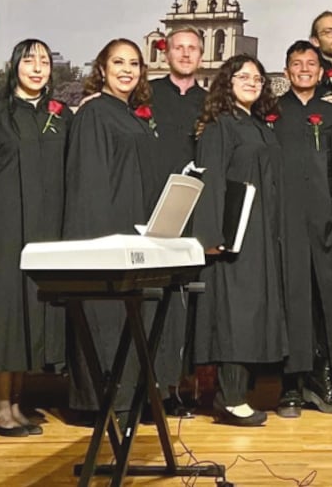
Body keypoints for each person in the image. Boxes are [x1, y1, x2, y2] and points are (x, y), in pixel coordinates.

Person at [0, 39, 66, 437]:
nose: (37, 67)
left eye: (44, 60)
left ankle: (17, 403)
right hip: (0, 232)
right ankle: (0, 407)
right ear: (14, 67)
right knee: (3, 317)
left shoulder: (58, 118)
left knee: (29, 317)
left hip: (43, 233)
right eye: (29, 60)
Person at [59, 39, 160, 418]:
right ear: (101, 69)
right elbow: (88, 182)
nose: (127, 70)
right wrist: (99, 241)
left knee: (127, 321)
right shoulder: (95, 113)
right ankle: (103, 403)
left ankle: (126, 399)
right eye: (118, 62)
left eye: (134, 63)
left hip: (133, 230)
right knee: (105, 318)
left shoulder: (129, 114)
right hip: (104, 231)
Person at [192, 54, 290, 426]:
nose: (252, 81)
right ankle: (230, 398)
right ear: (227, 82)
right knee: (237, 313)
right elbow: (211, 179)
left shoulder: (259, 126)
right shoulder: (220, 126)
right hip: (233, 236)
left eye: (258, 77)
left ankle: (238, 393)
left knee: (253, 311)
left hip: (262, 231)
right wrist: (210, 236)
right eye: (243, 76)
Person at [273, 40, 332, 416]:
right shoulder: (272, 114)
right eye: (296, 63)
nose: (304, 69)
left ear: (321, 72)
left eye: (310, 64)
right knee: (291, 300)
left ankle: (325, 378)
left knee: (326, 300)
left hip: (327, 222)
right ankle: (291, 383)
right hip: (285, 222)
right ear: (286, 71)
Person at [146, 27, 210, 417]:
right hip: (149, 209)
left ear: (201, 55)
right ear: (165, 52)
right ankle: (151, 389)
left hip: (194, 213)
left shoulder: (209, 101)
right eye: (179, 48)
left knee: (187, 305)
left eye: (193, 49)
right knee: (153, 304)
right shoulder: (147, 95)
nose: (186, 54)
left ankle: (179, 387)